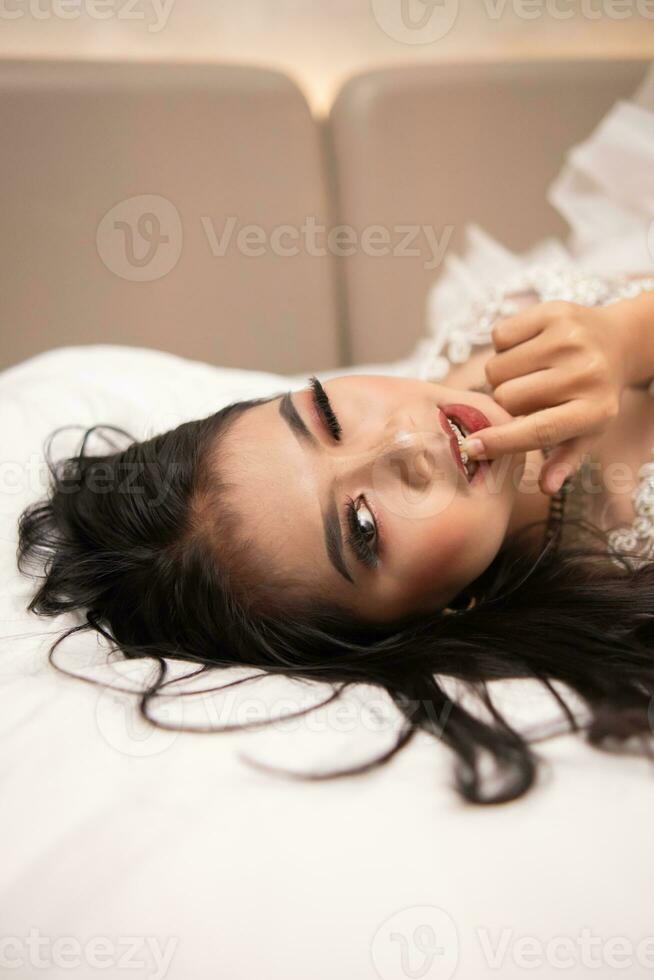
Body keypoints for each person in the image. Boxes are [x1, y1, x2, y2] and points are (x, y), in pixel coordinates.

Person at [16, 66, 654, 806]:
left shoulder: (493, 327)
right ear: (420, 621)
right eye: (361, 525)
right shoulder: (620, 575)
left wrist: (627, 335)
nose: (406, 448)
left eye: (326, 416)